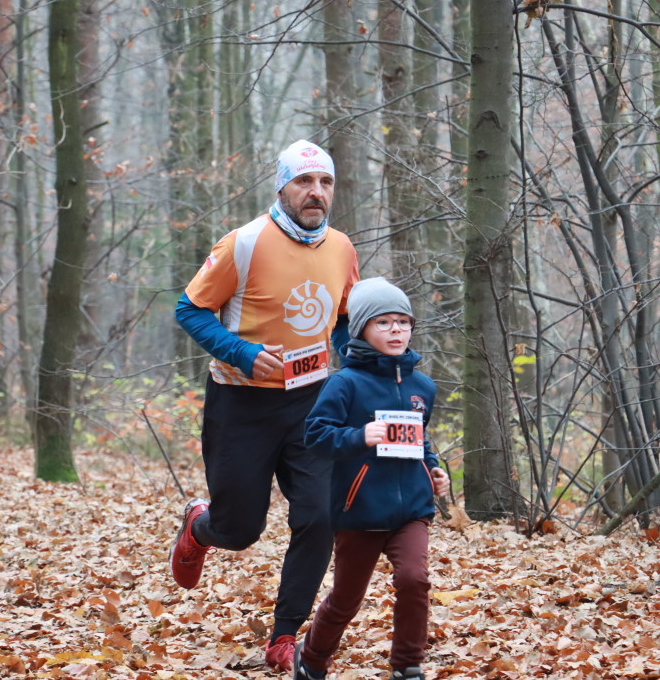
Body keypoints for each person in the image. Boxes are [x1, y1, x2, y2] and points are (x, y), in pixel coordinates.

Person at [170, 139, 360, 672]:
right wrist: (244, 354)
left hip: (314, 403)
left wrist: (358, 365)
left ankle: (285, 635)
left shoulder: (342, 247)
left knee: (320, 516)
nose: (315, 192)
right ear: (281, 186)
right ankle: (201, 526)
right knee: (241, 530)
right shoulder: (244, 243)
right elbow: (190, 309)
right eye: (304, 182)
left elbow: (344, 318)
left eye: (325, 182)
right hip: (241, 404)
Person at [294, 277, 451, 680]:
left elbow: (421, 437)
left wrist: (433, 469)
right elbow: (315, 435)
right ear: (362, 328)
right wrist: (358, 436)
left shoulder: (423, 386)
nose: (396, 330)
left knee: (415, 580)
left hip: (412, 509)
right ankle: (310, 659)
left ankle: (408, 667)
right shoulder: (344, 383)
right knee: (346, 599)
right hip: (359, 510)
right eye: (384, 323)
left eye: (403, 321)